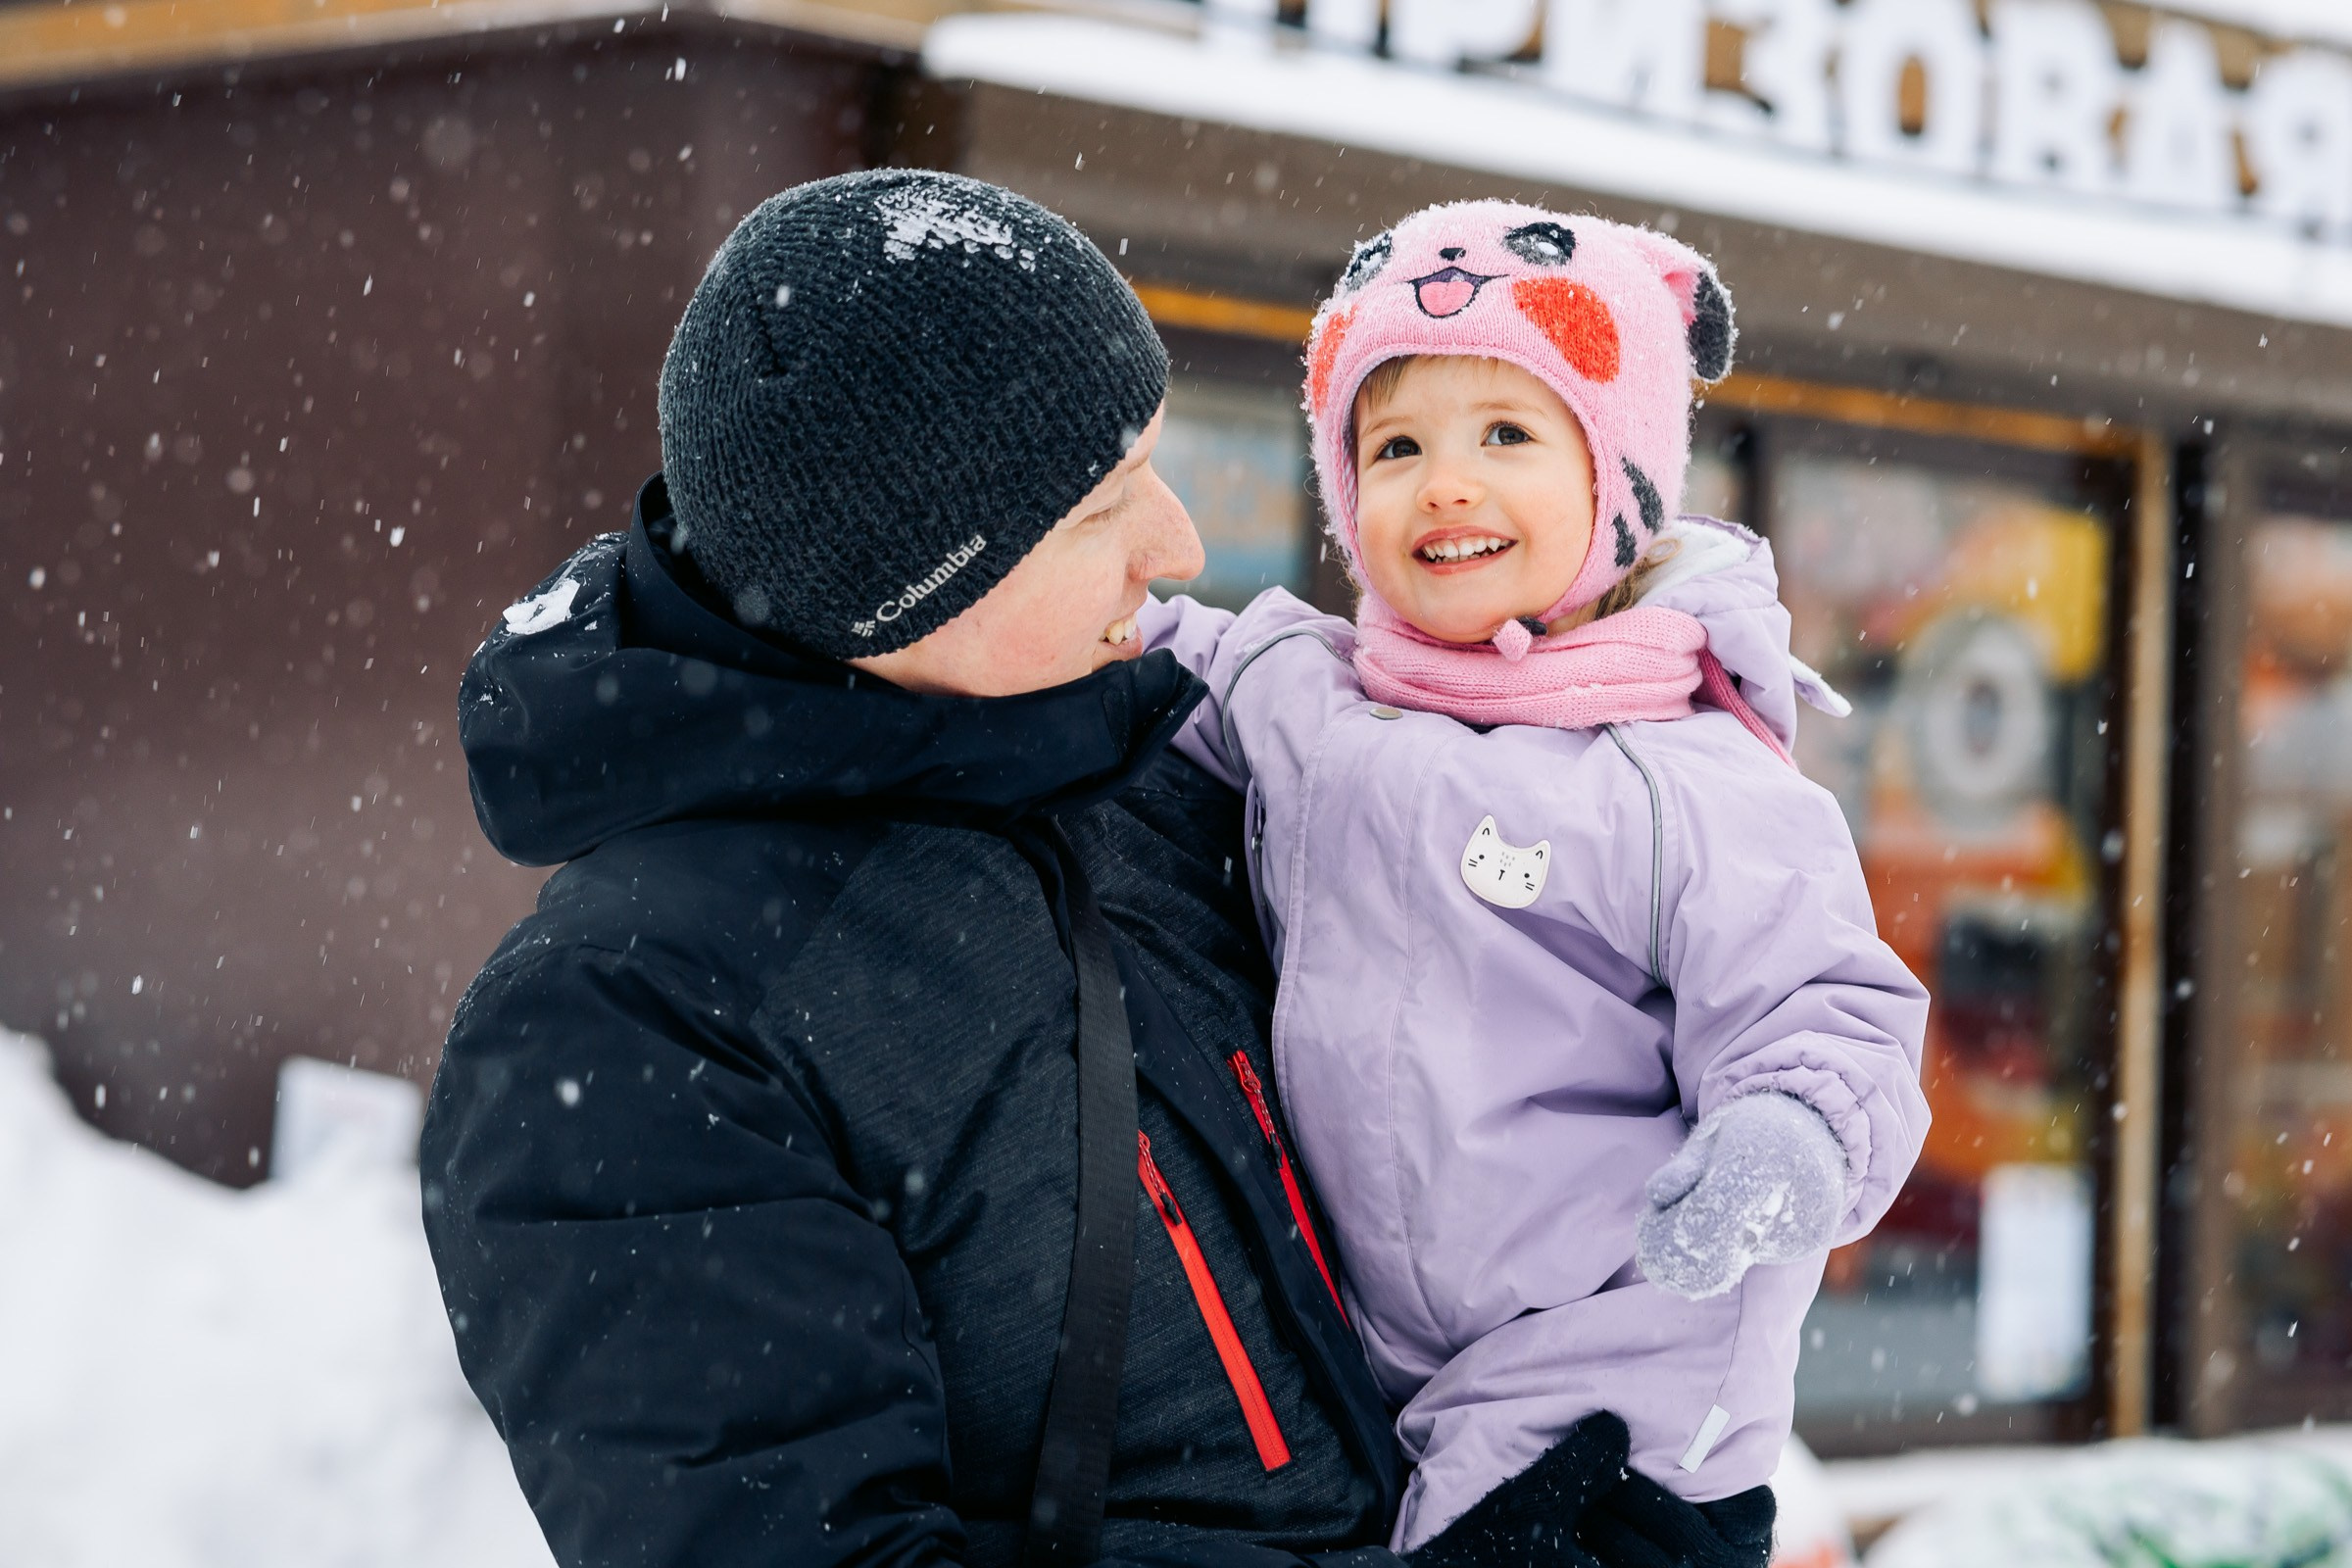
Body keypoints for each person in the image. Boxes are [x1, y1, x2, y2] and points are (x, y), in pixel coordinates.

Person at [421, 171, 1671, 1568]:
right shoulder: (629, 1020)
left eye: (1157, 459)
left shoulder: (1161, 783)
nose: (1179, 545)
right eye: (1102, 509)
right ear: (908, 586)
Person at [1138, 201, 1934, 1566]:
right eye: (1394, 448)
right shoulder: (1312, 704)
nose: (1446, 483)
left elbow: (1823, 1005)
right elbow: (1133, 653)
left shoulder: (1687, 774)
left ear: (1616, 481)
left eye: (1507, 434)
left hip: (1618, 1364)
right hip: (1370, 1341)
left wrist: (1790, 1135)